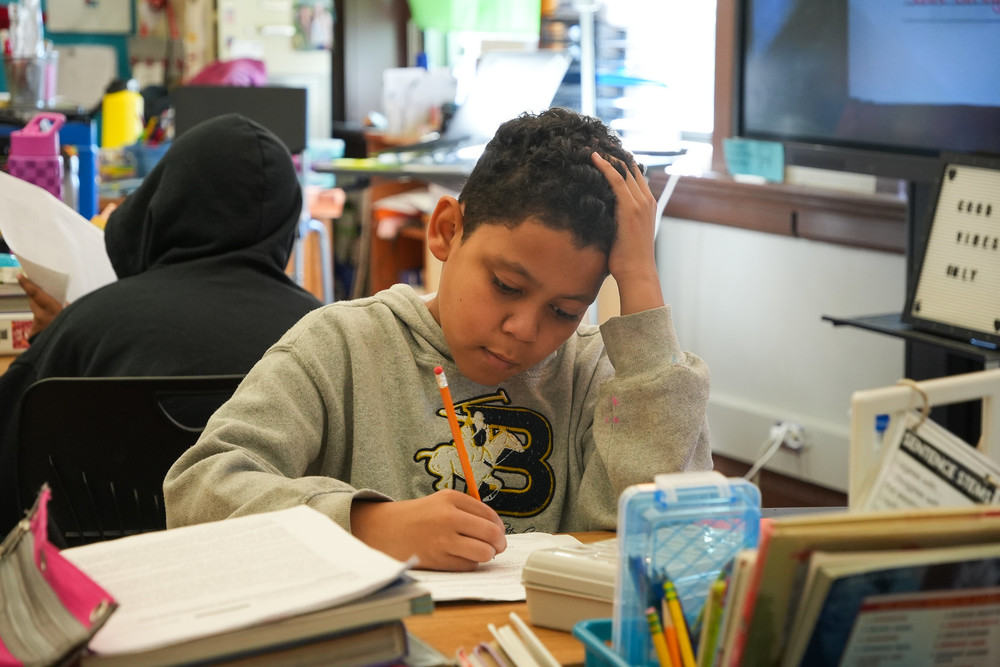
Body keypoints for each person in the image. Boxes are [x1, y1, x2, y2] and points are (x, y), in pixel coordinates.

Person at [164, 107, 712, 571]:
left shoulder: (600, 375)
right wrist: (365, 524)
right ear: (447, 230)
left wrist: (641, 284)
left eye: (564, 310)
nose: (523, 328)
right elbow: (197, 491)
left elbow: (672, 539)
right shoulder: (342, 346)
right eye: (505, 285)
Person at [0, 113, 324, 533]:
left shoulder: (87, 328)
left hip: (105, 582)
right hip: (292, 579)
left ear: (162, 198)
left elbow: (13, 456)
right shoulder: (325, 333)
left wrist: (54, 339)